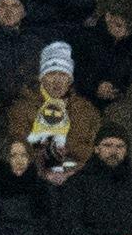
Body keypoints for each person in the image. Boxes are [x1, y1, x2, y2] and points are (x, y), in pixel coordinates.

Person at [7, 41, 102, 170]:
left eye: (63, 74)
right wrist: (44, 169)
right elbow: (17, 148)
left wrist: (71, 162)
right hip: (36, 176)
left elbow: (98, 150)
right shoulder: (22, 108)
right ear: (41, 78)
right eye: (51, 74)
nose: (57, 80)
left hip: (79, 176)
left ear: (70, 80)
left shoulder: (86, 110)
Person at [58, 123, 132, 235]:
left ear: (126, 150)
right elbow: (71, 228)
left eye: (120, 146)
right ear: (96, 148)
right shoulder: (78, 183)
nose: (114, 151)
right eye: (107, 145)